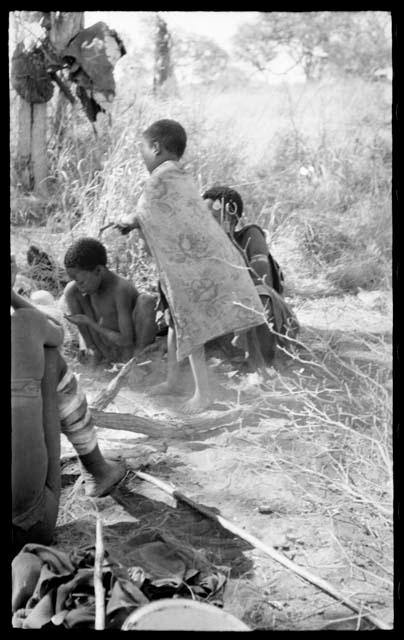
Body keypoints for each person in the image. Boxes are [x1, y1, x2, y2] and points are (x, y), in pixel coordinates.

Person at [113, 119, 266, 413]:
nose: (142, 156)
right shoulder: (181, 176)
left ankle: (203, 395)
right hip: (201, 263)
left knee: (189, 324)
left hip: (190, 269)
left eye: (143, 149)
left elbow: (144, 215)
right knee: (181, 323)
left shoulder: (159, 179)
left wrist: (127, 221)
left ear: (156, 147)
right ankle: (180, 381)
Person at [11, 256, 126, 512]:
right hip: (30, 522)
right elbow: (54, 330)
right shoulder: (24, 322)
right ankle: (96, 468)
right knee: (51, 358)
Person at [202, 186, 299, 364]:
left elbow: (262, 281)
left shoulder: (250, 235)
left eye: (213, 217)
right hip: (225, 316)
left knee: (260, 293)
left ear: (230, 218)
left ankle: (262, 364)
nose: (205, 223)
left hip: (261, 309)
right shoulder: (205, 246)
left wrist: (227, 240)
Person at [63, 238, 158, 366]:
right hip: (105, 350)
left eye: (81, 282)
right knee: (70, 290)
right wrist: (87, 345)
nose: (80, 287)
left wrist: (89, 322)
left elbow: (126, 341)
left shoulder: (120, 289)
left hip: (127, 351)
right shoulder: (81, 288)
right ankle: (94, 352)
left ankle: (138, 360)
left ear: (98, 271)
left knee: (147, 301)